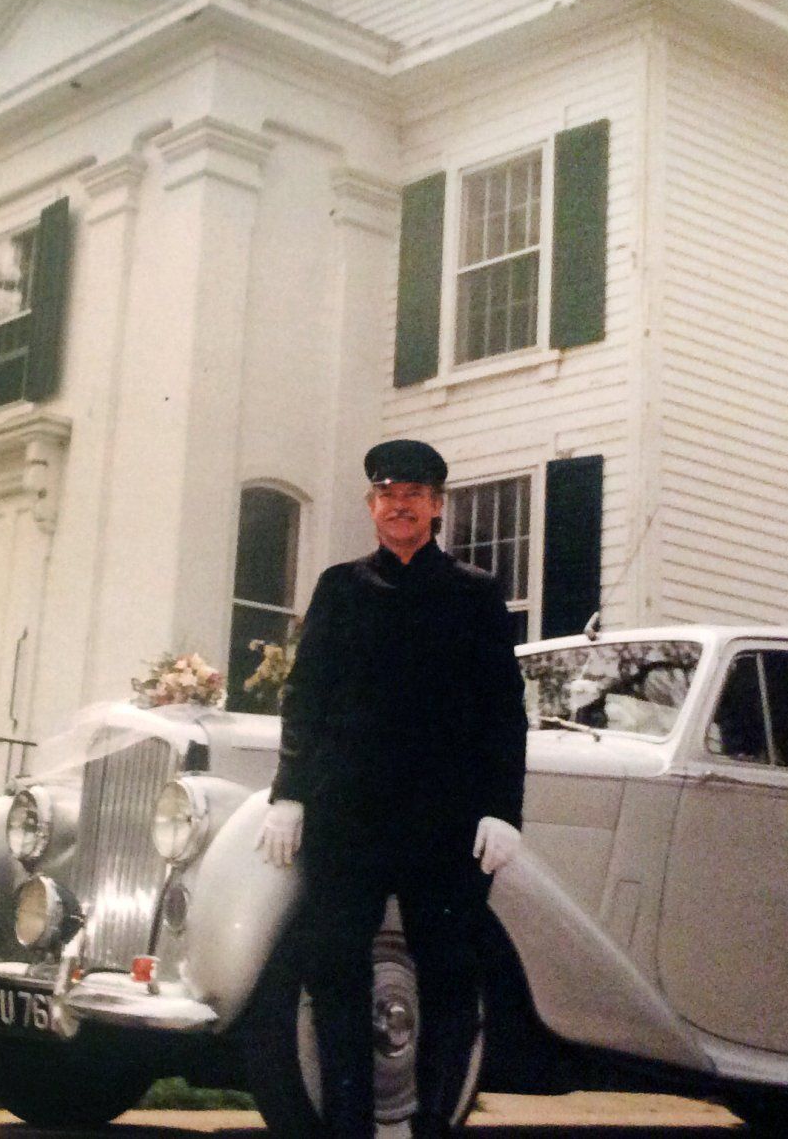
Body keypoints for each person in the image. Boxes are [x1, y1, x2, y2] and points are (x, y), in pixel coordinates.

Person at [257, 439, 527, 1139]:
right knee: (333, 966)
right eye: (386, 493)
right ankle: (347, 1125)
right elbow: (304, 697)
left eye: (414, 493)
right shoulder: (339, 588)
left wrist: (503, 811)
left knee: (448, 972)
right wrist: (288, 793)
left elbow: (503, 711)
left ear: (437, 506)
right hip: (349, 816)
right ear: (371, 504)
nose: (399, 504)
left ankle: (434, 1126)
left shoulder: (475, 594)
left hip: (447, 822)